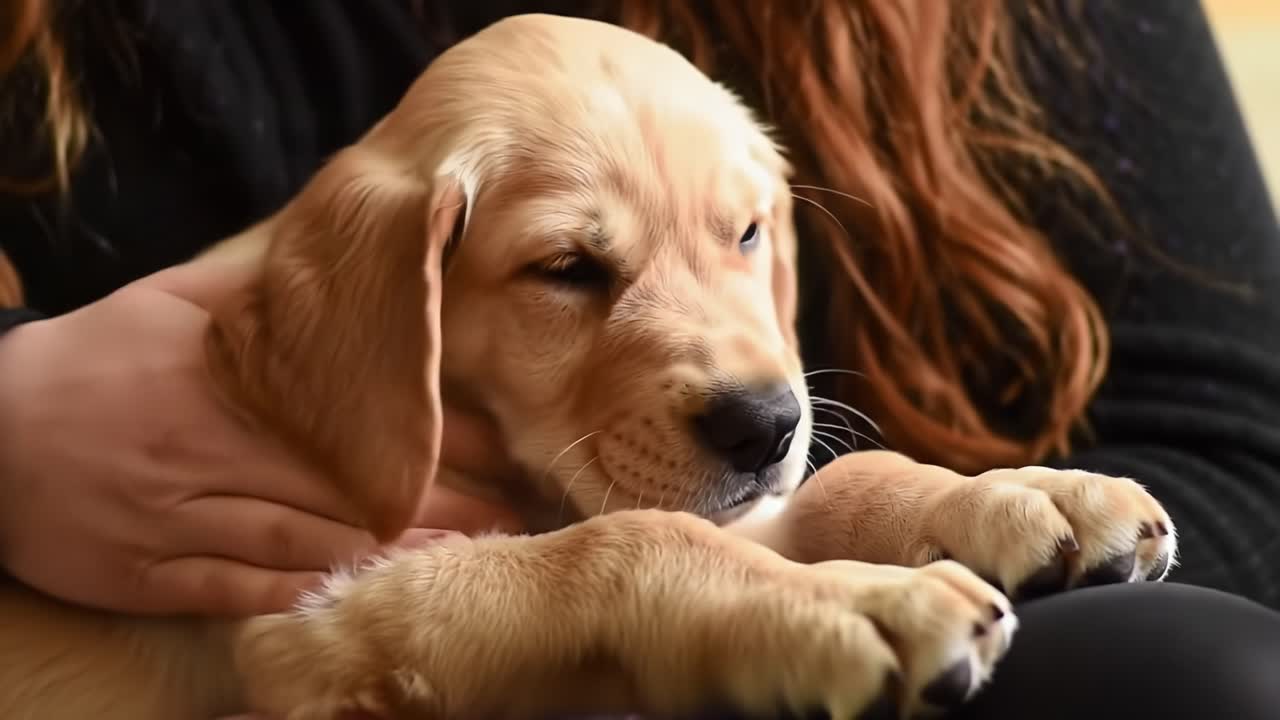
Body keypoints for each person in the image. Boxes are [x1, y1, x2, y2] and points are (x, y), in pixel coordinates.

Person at [1, 1, 1278, 718]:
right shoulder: (321, 331)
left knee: (1204, 675)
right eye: (572, 268)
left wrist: (906, 505)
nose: (751, 380)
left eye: (743, 237)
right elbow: (323, 651)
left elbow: (1239, 452)